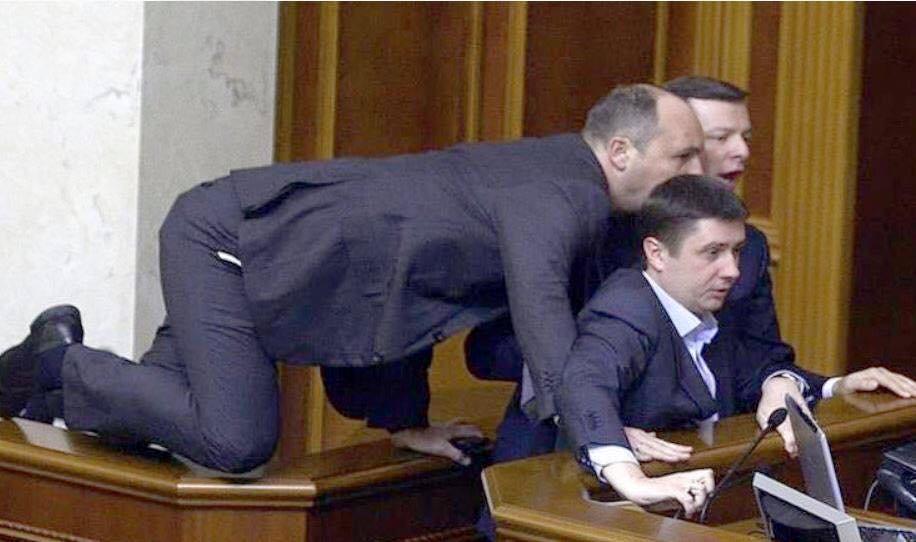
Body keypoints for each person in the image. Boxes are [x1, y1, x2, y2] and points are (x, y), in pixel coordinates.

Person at [0, 84, 704, 473]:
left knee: (155, 424)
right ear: (620, 151)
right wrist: (599, 433)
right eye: (682, 157)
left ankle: (48, 379)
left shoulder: (558, 182)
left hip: (270, 254)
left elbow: (414, 280)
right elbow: (539, 305)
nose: (697, 174)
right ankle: (57, 359)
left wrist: (406, 424)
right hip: (232, 244)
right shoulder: (564, 192)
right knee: (236, 442)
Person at [557, 174, 915, 515]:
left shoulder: (707, 303)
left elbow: (755, 371)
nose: (732, 270)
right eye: (712, 252)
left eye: (736, 250)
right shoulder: (626, 307)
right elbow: (582, 384)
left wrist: (835, 387)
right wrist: (633, 480)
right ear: (657, 253)